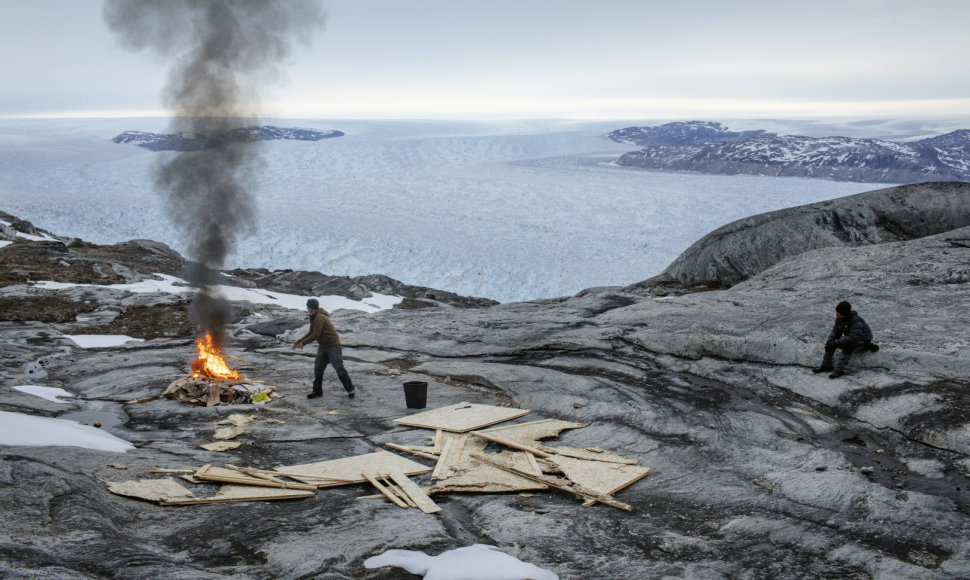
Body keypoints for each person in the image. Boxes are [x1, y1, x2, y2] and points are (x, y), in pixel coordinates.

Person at [293, 298, 356, 399]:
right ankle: (317, 391)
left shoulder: (320, 317)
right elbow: (310, 332)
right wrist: (298, 341)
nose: (306, 308)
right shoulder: (314, 316)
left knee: (339, 368)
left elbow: (316, 334)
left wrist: (303, 343)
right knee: (318, 368)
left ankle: (350, 389)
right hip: (323, 346)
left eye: (308, 306)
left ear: (311, 307)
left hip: (333, 345)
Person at [812, 301, 879, 379]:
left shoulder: (856, 322)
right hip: (851, 337)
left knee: (848, 347)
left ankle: (839, 370)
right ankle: (825, 366)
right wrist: (831, 339)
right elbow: (835, 331)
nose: (836, 314)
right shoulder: (839, 319)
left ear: (844, 313)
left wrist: (837, 342)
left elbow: (853, 337)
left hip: (862, 339)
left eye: (838, 313)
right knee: (830, 344)